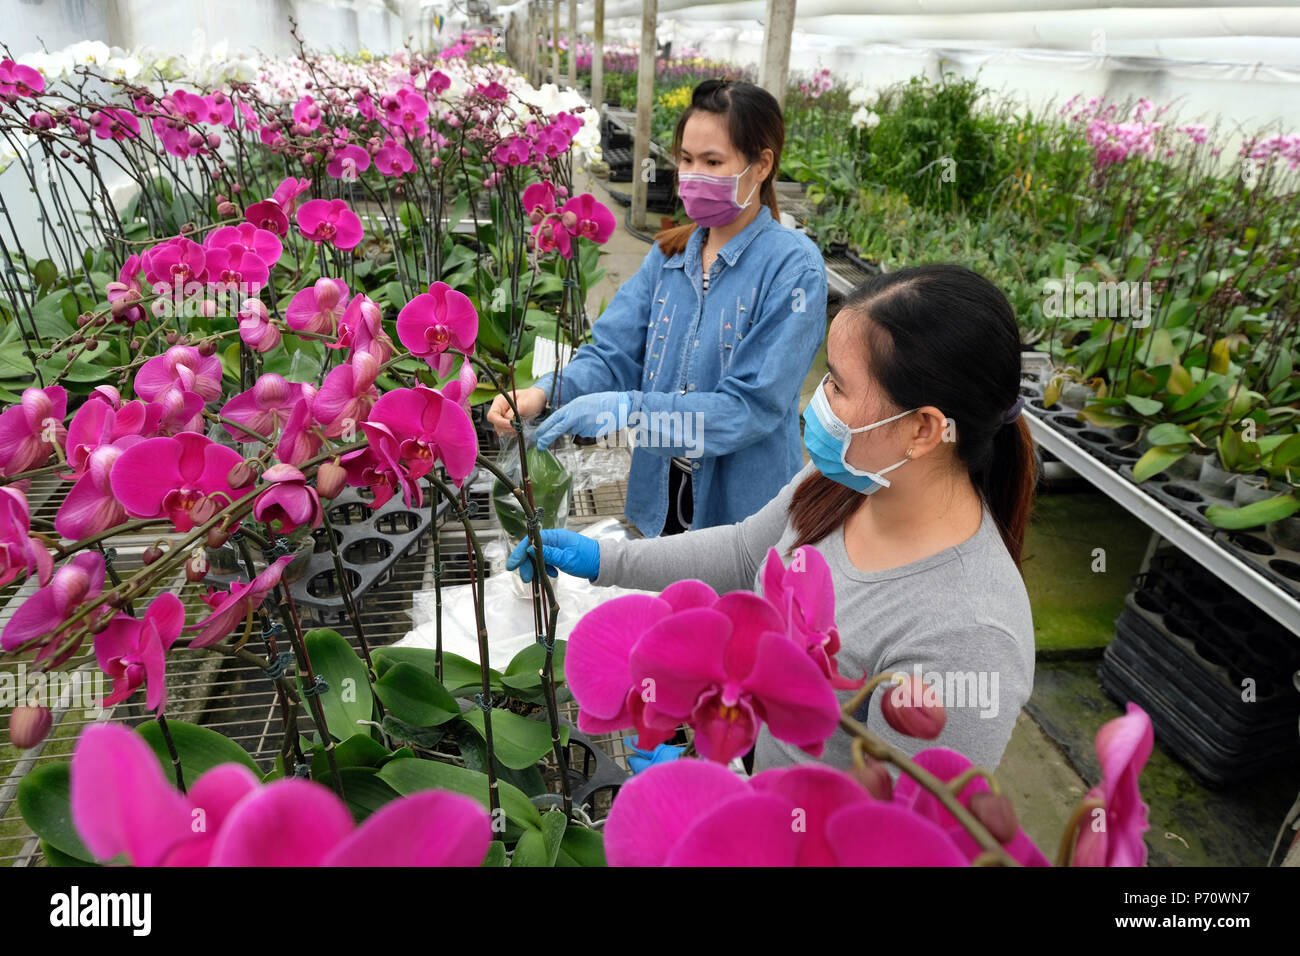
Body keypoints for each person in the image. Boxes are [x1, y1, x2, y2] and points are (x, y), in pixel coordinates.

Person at [507, 264, 1038, 774]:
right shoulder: (848, 482)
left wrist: (723, 800)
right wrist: (603, 559)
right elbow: (744, 552)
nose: (814, 405)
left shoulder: (970, 637)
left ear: (923, 429)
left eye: (837, 386)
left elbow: (899, 837)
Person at [487, 78, 828, 537]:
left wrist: (630, 410)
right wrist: (545, 392)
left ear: (761, 164)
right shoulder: (668, 255)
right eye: (686, 159)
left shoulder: (792, 268)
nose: (692, 174)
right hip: (658, 492)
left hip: (740, 513)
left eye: (713, 161)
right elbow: (613, 354)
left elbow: (748, 408)